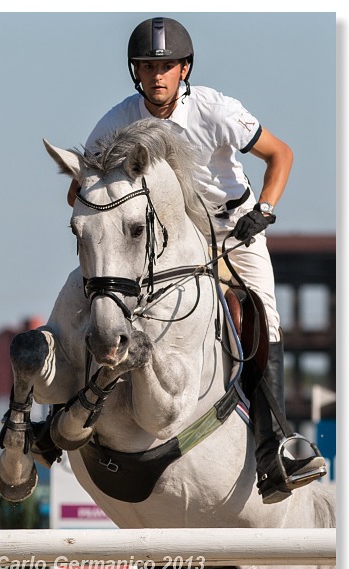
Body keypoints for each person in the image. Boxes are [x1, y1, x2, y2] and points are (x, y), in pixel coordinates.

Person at [68, 16, 326, 504]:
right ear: (135, 72)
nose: (157, 76)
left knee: (263, 317)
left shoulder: (216, 110)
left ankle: (276, 447)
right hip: (172, 240)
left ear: (184, 69)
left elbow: (282, 155)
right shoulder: (116, 120)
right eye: (147, 67)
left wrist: (265, 210)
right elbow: (80, 192)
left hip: (235, 231)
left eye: (166, 66)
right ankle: (63, 411)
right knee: (109, 296)